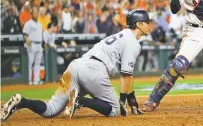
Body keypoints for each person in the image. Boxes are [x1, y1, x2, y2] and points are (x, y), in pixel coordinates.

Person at [1, 9, 152, 122]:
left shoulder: (122, 34)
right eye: (147, 22)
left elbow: (127, 76)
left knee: (51, 109)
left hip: (76, 66)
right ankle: (81, 101)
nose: (150, 25)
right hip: (94, 70)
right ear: (139, 24)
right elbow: (126, 76)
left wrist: (132, 100)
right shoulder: (133, 42)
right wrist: (124, 103)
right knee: (115, 110)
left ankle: (22, 101)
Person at [23, 7, 43, 85]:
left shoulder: (40, 24)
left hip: (39, 44)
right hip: (32, 44)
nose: (36, 14)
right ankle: (29, 80)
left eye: (37, 12)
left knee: (37, 63)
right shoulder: (29, 23)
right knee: (30, 63)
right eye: (34, 13)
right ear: (32, 14)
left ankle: (36, 80)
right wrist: (27, 39)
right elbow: (24, 34)